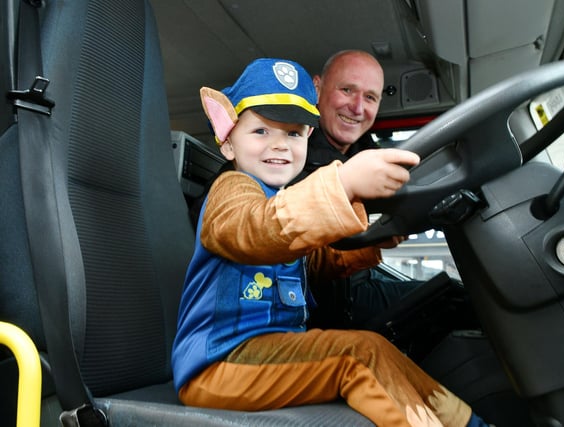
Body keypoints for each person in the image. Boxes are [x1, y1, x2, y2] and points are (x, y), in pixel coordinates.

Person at [172, 58, 488, 427]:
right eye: (261, 132)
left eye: (293, 134)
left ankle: (469, 424)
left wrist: (375, 240)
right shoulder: (232, 189)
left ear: (307, 137)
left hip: (270, 351)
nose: (280, 145)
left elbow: (314, 261)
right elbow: (254, 232)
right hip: (218, 364)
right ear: (228, 142)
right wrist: (341, 184)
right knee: (358, 355)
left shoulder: (279, 197)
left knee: (377, 347)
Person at [292, 50, 473, 333]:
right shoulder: (289, 155)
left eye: (370, 97)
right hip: (327, 309)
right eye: (347, 90)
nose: (357, 108)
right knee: (457, 302)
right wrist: (373, 240)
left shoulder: (365, 150)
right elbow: (298, 256)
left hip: (360, 283)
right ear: (316, 88)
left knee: (459, 294)